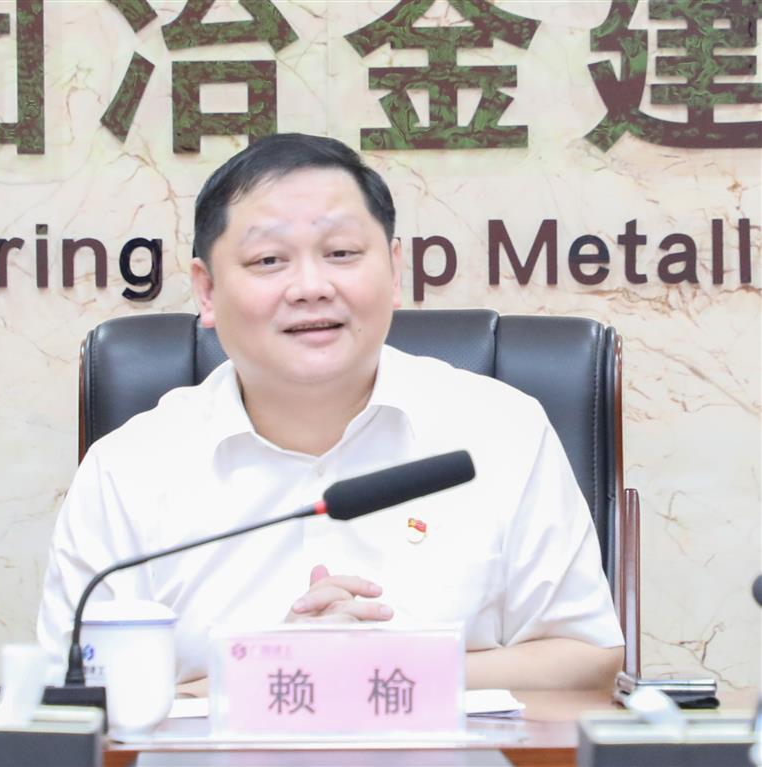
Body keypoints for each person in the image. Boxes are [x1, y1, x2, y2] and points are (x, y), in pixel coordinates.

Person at [37, 133, 624, 693]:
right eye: (269, 259)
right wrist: (273, 670)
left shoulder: (500, 431)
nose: (311, 287)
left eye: (341, 253)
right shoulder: (127, 470)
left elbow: (585, 658)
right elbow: (76, 693)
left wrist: (379, 668)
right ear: (207, 290)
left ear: (394, 270)